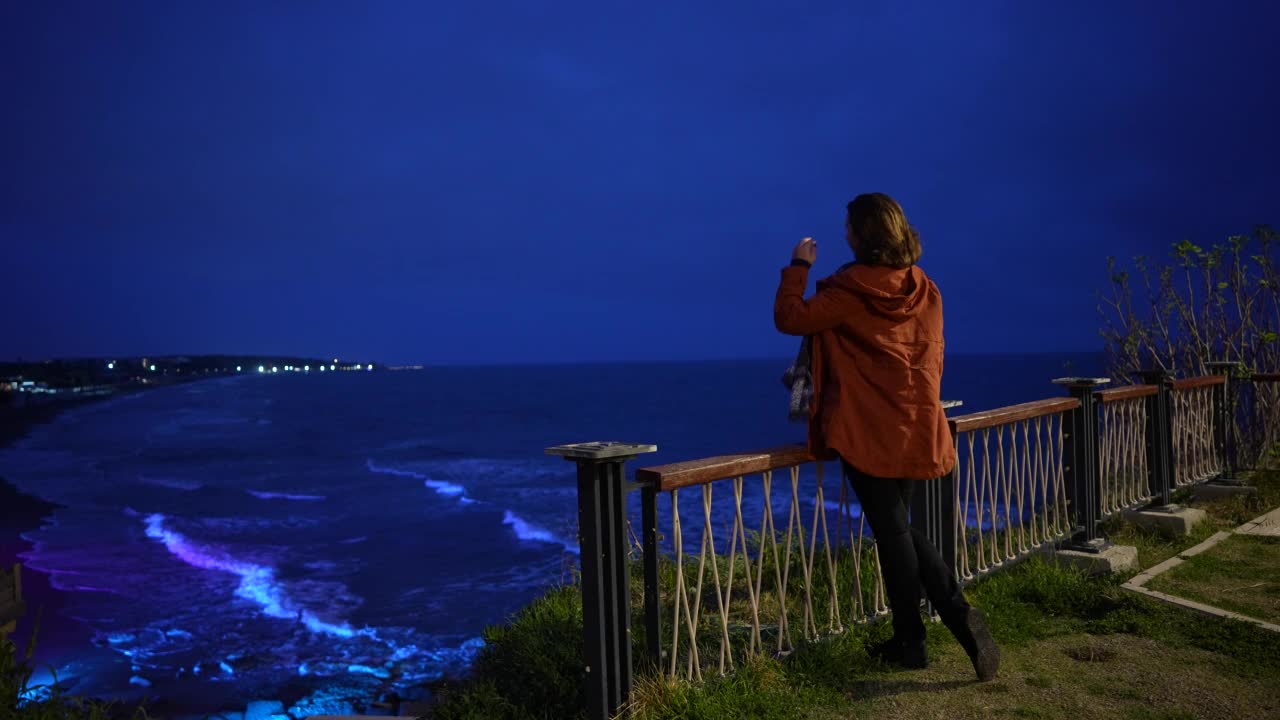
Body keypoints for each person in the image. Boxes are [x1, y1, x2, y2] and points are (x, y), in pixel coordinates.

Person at [772, 192, 999, 682]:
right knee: (898, 529)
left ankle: (946, 621)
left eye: (850, 227)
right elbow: (933, 359)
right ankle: (911, 639)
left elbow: (789, 318)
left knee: (894, 533)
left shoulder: (850, 292)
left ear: (864, 234)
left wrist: (798, 265)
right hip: (915, 423)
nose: (845, 235)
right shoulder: (925, 289)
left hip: (866, 430)